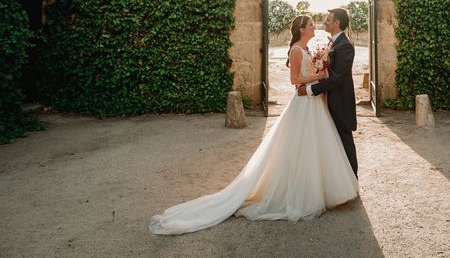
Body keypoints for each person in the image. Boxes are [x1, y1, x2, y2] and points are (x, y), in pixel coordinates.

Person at [149, 14, 358, 235]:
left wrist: (319, 76)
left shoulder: (318, 47)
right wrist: (316, 81)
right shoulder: (297, 50)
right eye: (311, 24)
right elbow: (295, 80)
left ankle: (322, 189)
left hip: (315, 103)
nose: (317, 26)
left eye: (323, 21)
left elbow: (329, 75)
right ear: (301, 29)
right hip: (305, 102)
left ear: (336, 23)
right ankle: (301, 192)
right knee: (299, 146)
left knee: (317, 146)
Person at [297, 8, 358, 178]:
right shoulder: (333, 43)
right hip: (329, 100)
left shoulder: (345, 46)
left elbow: (337, 78)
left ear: (337, 23)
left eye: (328, 20)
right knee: (334, 143)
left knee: (345, 141)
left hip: (340, 102)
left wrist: (309, 89)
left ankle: (352, 181)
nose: (324, 22)